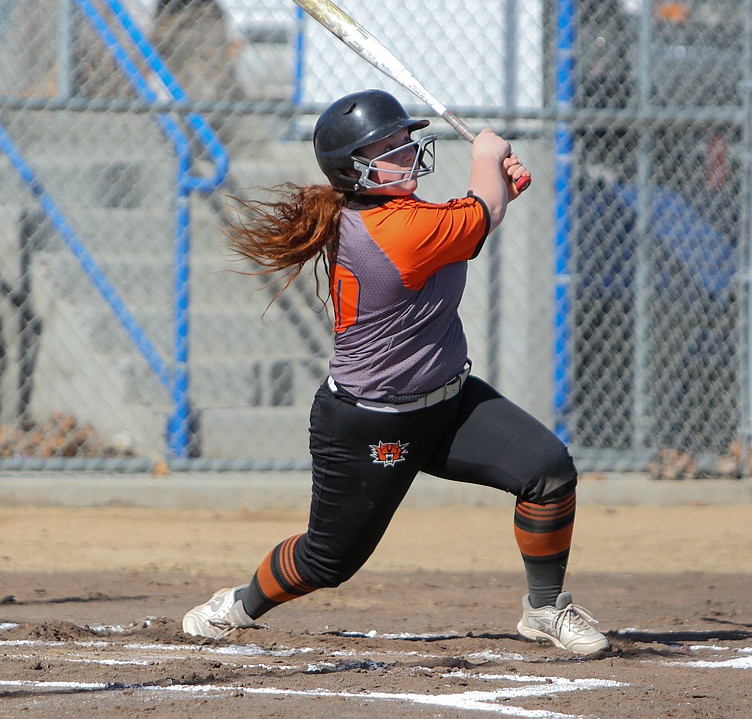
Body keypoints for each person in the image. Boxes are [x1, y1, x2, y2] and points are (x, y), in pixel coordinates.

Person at [181, 89, 609, 655]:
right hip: (372, 425)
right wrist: (488, 154)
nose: (405, 153)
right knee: (326, 561)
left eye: (403, 141)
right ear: (353, 172)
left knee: (548, 472)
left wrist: (495, 187)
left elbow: (476, 215)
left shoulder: (407, 218)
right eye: (385, 149)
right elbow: (479, 213)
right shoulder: (393, 231)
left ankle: (545, 610)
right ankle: (237, 605)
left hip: (450, 404)